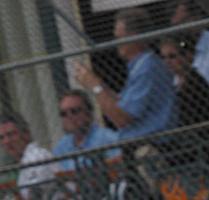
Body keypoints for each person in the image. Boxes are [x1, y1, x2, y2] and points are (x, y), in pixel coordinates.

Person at [72, 7, 177, 142]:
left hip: (154, 145)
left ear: (133, 37)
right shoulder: (139, 66)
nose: (116, 43)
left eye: (119, 38)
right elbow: (121, 105)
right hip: (141, 144)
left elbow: (121, 119)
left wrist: (95, 87)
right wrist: (98, 83)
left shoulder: (147, 67)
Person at [0, 111, 62, 200]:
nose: (7, 141)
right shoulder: (22, 162)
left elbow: (34, 196)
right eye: (1, 137)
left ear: (26, 134)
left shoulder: (37, 156)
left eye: (11, 134)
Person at [51, 90, 121, 172]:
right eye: (63, 114)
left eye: (74, 111)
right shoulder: (61, 146)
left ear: (89, 112)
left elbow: (120, 169)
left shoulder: (108, 138)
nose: (69, 117)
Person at [158, 36, 209, 127]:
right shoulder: (172, 82)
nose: (167, 61)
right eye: (163, 57)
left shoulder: (195, 82)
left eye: (172, 56)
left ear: (187, 56)